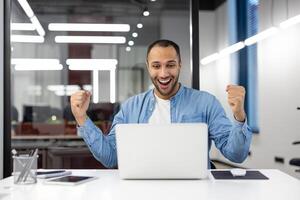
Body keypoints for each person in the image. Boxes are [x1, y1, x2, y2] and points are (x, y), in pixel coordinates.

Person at [71, 39, 252, 169]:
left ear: (180, 65)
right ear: (148, 67)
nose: (164, 73)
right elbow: (110, 158)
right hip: (143, 190)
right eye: (156, 66)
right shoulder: (130, 107)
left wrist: (239, 116)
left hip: (195, 191)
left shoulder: (206, 102)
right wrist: (82, 118)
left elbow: (236, 155)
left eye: (170, 65)